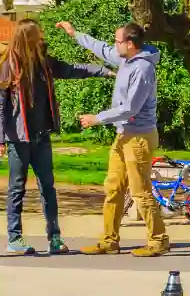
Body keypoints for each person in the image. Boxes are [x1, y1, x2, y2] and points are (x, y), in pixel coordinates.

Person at [0, 18, 110, 255]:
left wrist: (103, 71)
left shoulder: (43, 61)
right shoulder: (7, 65)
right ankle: (14, 237)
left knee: (48, 187)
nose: (43, 37)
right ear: (28, 38)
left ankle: (54, 237)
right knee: (17, 188)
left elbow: (71, 69)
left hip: (41, 136)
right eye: (39, 34)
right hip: (19, 139)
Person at [55, 20, 170, 256]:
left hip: (139, 137)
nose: (114, 45)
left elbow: (131, 108)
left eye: (118, 41)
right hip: (123, 134)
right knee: (114, 189)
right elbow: (102, 49)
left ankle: (158, 240)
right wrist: (75, 33)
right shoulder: (125, 58)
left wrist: (98, 118)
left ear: (130, 43)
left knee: (140, 191)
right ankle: (109, 240)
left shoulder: (143, 69)